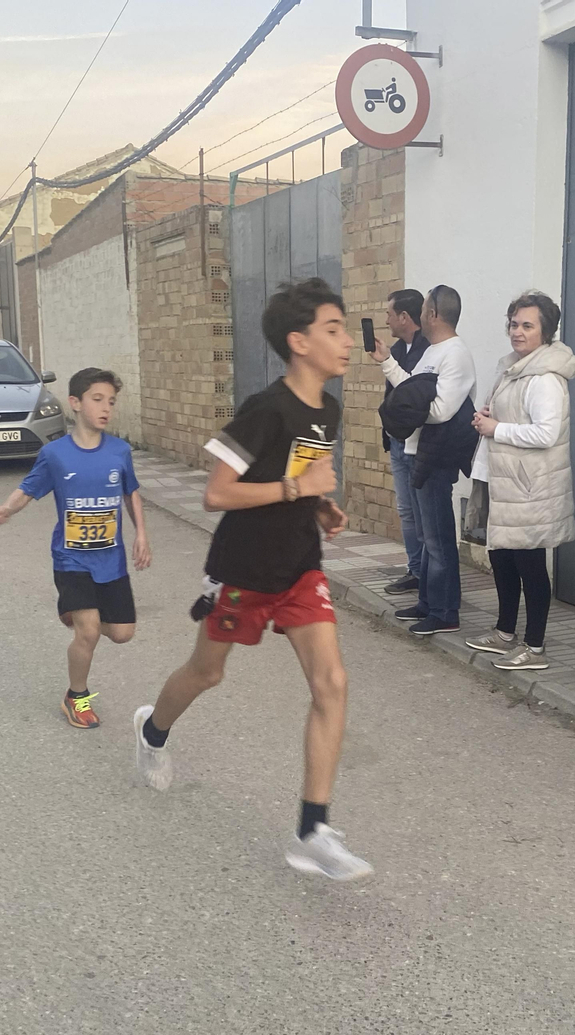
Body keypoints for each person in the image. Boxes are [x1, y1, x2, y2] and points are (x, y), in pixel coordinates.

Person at [133, 277, 369, 881]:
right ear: (299, 342)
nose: (347, 342)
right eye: (333, 330)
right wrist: (300, 488)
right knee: (206, 673)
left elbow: (304, 477)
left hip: (299, 569)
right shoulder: (265, 409)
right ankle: (153, 729)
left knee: (332, 684)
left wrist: (322, 507)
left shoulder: (329, 409)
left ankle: (312, 830)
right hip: (243, 571)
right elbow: (217, 493)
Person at [0, 367, 151, 729]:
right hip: (71, 556)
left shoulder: (120, 451)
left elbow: (131, 492)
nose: (106, 407)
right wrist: (6, 509)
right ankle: (76, 696)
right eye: (97, 399)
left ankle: (78, 613)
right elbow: (29, 488)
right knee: (90, 630)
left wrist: (141, 533)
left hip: (111, 559)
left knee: (123, 633)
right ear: (75, 403)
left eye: (111, 401)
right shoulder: (56, 454)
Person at [462, 292, 575, 671]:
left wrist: (497, 427)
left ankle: (535, 646)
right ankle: (504, 633)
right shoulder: (514, 368)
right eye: (514, 323)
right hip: (504, 481)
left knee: (530, 565)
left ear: (545, 331)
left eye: (527, 325)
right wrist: (487, 417)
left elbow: (546, 434)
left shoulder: (545, 378)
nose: (517, 331)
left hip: (529, 487)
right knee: (502, 559)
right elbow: (507, 419)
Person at [374, 284, 476, 635]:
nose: (418, 315)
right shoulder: (432, 351)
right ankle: (428, 603)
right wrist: (387, 361)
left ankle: (446, 612)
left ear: (433, 314)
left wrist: (406, 412)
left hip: (436, 456)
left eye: (423, 310)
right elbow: (410, 391)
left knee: (438, 537)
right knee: (426, 534)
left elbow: (442, 410)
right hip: (419, 451)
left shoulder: (455, 354)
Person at [378, 288, 429, 595]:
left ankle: (429, 575)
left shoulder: (429, 350)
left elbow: (414, 394)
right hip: (397, 442)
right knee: (406, 510)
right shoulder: (396, 350)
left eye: (389, 314)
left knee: (423, 514)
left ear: (405, 317)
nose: (386, 320)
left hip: (420, 444)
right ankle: (415, 570)